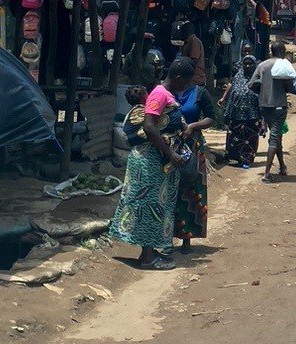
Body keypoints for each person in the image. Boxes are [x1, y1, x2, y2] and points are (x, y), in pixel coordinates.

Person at [108, 57, 195, 270]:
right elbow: (149, 127)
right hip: (149, 159)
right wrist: (170, 153)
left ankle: (149, 251)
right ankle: (147, 258)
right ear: (178, 77)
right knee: (148, 205)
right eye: (187, 81)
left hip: (158, 160)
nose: (188, 85)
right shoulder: (159, 94)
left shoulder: (165, 94)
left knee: (157, 205)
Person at [173, 74, 217, 253]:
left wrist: (193, 126)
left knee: (191, 190)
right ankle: (165, 237)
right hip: (168, 145)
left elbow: (211, 117)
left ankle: (187, 238)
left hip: (193, 146)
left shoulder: (200, 93)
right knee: (169, 191)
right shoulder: (166, 90)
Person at [250, 41, 296, 181]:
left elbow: (251, 84)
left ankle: (282, 166)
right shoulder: (283, 65)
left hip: (264, 106)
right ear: (281, 52)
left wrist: (263, 90)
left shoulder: (262, 65)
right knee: (275, 138)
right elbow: (290, 87)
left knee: (277, 137)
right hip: (279, 106)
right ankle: (267, 174)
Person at [220, 52, 263, 168]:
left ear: (254, 65)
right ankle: (234, 157)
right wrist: (223, 98)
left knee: (250, 137)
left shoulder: (258, 78)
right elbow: (231, 86)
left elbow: (264, 94)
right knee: (234, 135)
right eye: (245, 64)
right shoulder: (238, 75)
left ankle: (247, 159)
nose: (247, 66)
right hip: (236, 112)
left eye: (250, 64)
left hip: (252, 113)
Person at [171, 20, 207, 86]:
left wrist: (181, 64)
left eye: (183, 31)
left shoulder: (194, 41)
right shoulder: (187, 42)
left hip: (195, 79)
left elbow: (194, 60)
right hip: (189, 79)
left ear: (188, 32)